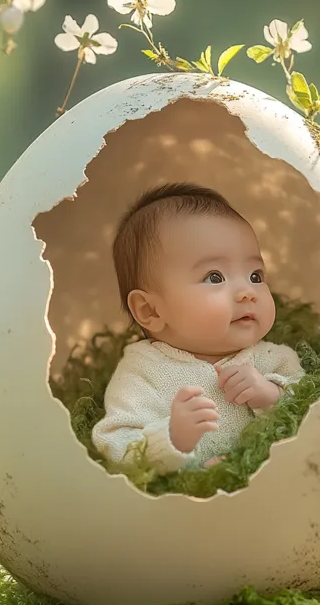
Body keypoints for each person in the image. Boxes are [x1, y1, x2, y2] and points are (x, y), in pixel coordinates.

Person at [92, 182, 305, 472]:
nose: (248, 291)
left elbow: (314, 413)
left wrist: (271, 395)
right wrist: (172, 438)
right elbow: (115, 443)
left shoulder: (274, 360)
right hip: (186, 512)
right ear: (150, 310)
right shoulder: (143, 372)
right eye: (215, 277)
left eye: (255, 275)